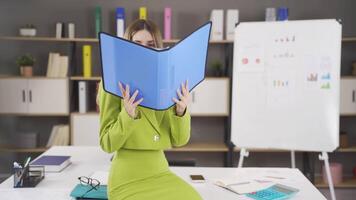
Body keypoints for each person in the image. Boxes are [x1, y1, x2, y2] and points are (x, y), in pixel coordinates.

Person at [97, 19, 202, 200]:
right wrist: (127, 115)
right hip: (126, 179)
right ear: (126, 47)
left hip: (160, 172)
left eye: (150, 44)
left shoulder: (167, 81)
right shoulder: (112, 81)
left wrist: (181, 111)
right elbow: (107, 143)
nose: (144, 49)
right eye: (137, 44)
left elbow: (180, 140)